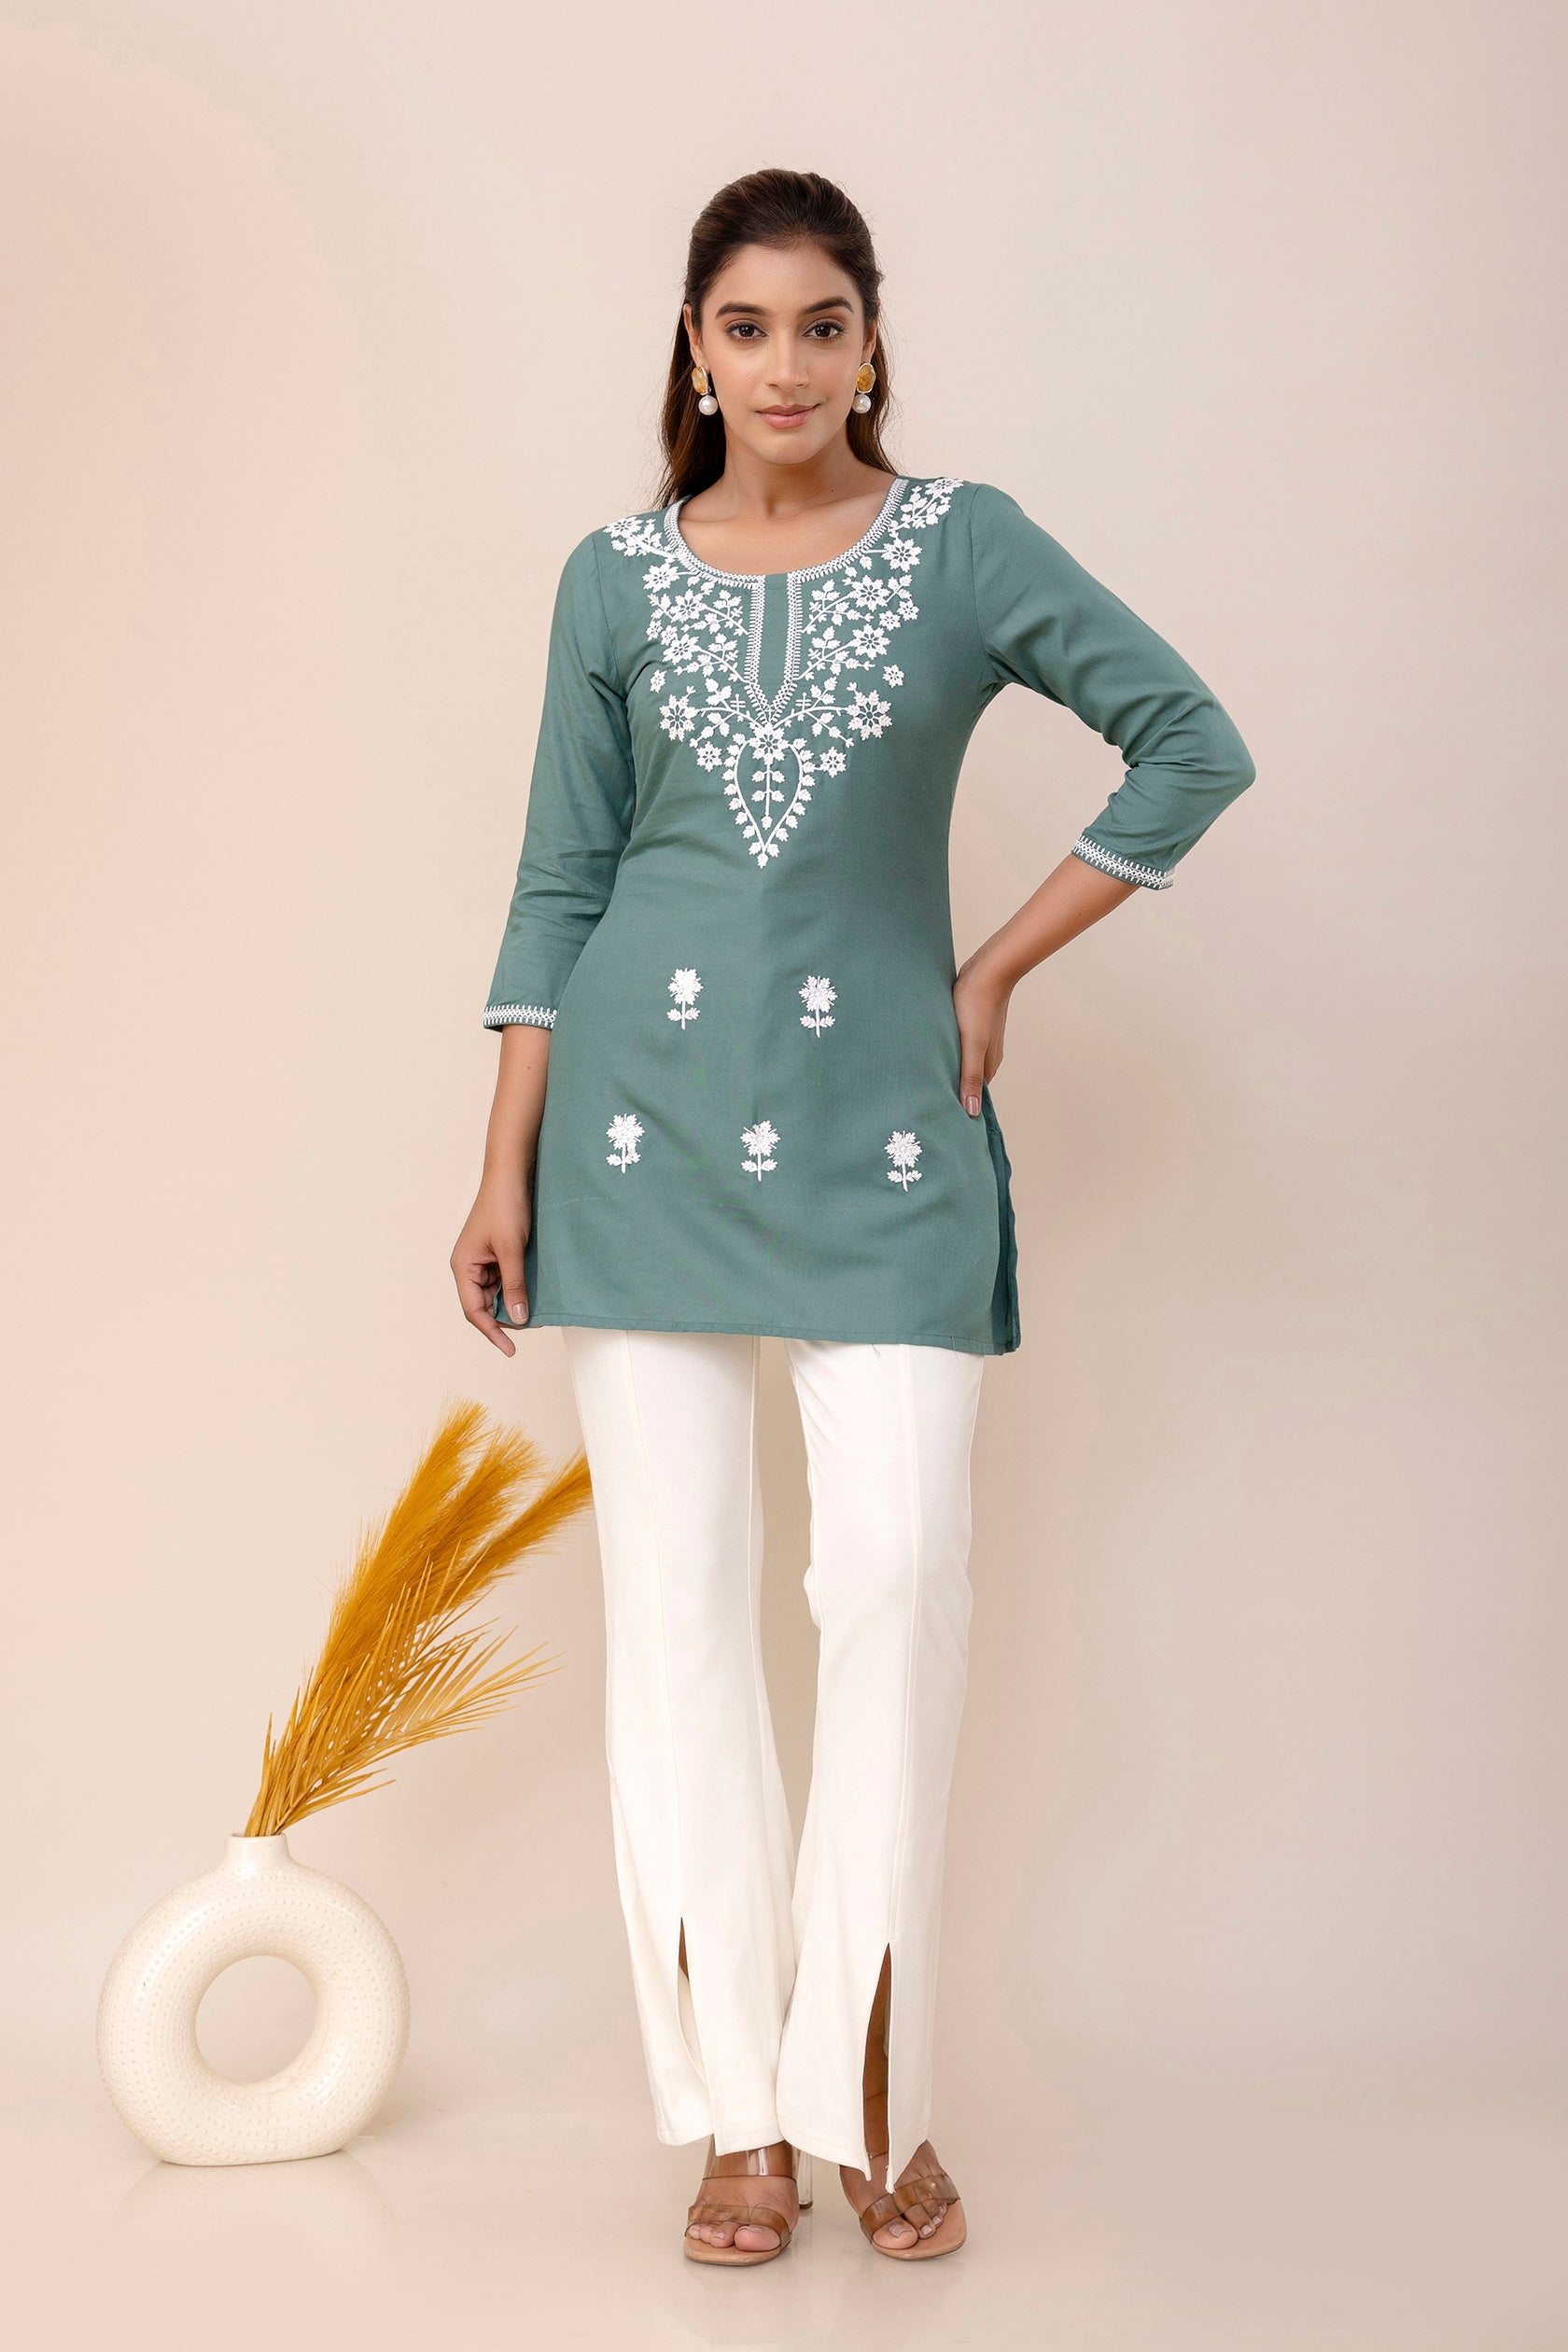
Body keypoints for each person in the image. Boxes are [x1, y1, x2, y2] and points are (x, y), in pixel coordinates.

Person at [451, 166, 1255, 2268]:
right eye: (747, 327)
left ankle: (872, 2099)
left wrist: (993, 972)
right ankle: (742, 2118)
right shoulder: (614, 579)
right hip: (634, 1147)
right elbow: (559, 879)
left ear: (871, 342)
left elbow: (1190, 741)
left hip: (886, 1141)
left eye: (823, 325)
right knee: (678, 1625)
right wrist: (505, 1155)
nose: (786, 365)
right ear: (694, 349)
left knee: (894, 1584)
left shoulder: (962, 545)